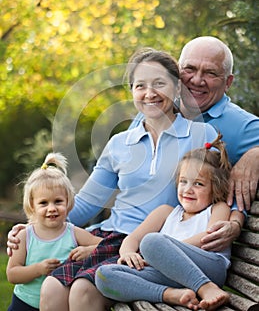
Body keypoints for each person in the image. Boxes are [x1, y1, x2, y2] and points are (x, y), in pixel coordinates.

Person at [37, 48, 219, 311]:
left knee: (82, 290)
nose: (149, 93)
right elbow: (87, 203)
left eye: (159, 84)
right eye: (140, 86)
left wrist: (233, 222)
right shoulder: (119, 143)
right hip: (108, 237)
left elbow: (219, 192)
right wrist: (35, 226)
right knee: (51, 287)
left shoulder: (201, 134)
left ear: (178, 88)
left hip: (157, 245)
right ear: (132, 91)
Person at [130, 36, 259, 251]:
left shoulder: (242, 126)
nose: (197, 80)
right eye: (189, 69)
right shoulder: (155, 109)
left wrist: (256, 153)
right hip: (133, 233)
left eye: (210, 73)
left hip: (180, 245)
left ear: (228, 82)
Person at [95, 133, 232, 310]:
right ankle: (171, 295)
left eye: (198, 184)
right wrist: (128, 252)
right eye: (183, 182)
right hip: (172, 275)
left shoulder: (218, 208)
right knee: (105, 275)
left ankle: (207, 288)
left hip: (209, 268)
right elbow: (133, 239)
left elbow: (208, 238)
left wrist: (164, 254)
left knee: (152, 241)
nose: (188, 190)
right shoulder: (166, 212)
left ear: (216, 188)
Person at [6, 153, 102, 311]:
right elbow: (12, 274)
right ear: (32, 205)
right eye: (43, 203)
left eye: (58, 201)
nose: (52, 208)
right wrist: (38, 269)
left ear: (68, 202)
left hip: (59, 303)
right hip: (25, 303)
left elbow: (104, 246)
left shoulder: (73, 233)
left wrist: (88, 250)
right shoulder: (25, 235)